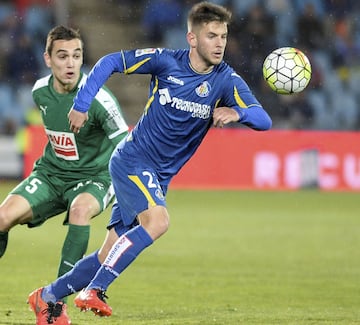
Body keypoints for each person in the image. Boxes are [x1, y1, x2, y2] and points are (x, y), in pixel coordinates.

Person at [28, 2, 272, 324]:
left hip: (157, 174)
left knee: (108, 253)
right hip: (133, 159)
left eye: (223, 36)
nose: (219, 43)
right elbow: (110, 62)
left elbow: (263, 119)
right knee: (158, 222)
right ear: (193, 38)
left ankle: (46, 296)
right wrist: (83, 102)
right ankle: (95, 290)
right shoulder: (166, 62)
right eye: (211, 35)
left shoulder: (226, 81)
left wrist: (237, 112)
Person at [0, 24, 128, 322]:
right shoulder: (39, 92)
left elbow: (125, 145)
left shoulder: (99, 99)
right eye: (62, 56)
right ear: (47, 59)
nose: (70, 63)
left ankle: (54, 302)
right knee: (3, 217)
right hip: (51, 174)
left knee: (81, 210)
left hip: (96, 176)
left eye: (76, 55)